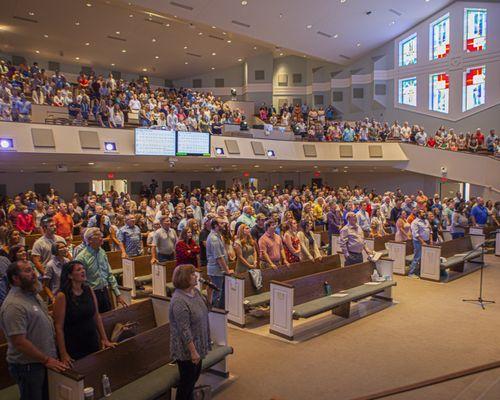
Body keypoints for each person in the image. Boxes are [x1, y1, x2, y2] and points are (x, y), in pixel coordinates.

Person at [0, 261, 67, 400]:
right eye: (28, 271)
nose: (34, 274)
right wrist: (46, 359)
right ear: (15, 278)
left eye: (32, 270)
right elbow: (19, 342)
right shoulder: (14, 305)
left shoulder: (32, 294)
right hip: (29, 366)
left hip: (42, 361)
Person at [53, 261, 114, 364]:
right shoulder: (62, 296)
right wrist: (63, 354)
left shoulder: (88, 290)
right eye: (78, 270)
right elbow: (58, 327)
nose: (83, 271)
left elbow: (96, 316)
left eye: (83, 269)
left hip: (91, 339)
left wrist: (104, 339)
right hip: (74, 343)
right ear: (70, 276)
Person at [169, 264, 211, 400]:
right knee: (187, 382)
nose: (196, 276)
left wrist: (209, 293)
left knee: (193, 379)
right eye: (192, 274)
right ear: (184, 278)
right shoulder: (179, 301)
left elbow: (206, 309)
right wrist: (193, 351)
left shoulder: (196, 292)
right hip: (186, 349)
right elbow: (184, 330)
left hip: (198, 342)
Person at [75, 228, 127, 312]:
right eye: (98, 236)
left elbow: (109, 274)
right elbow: (79, 281)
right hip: (91, 294)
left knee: (108, 317)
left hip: (104, 291)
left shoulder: (102, 252)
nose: (101, 238)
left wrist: (117, 294)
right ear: (90, 240)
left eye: (101, 236)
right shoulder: (81, 257)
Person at [206, 218, 233, 309]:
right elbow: (219, 258)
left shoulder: (218, 235)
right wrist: (227, 271)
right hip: (216, 270)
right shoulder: (214, 238)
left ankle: (220, 312)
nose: (224, 224)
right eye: (221, 223)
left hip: (219, 270)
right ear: (215, 225)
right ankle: (215, 312)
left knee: (220, 293)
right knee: (217, 294)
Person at [409, 210, 431, 278]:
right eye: (423, 212)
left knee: (424, 257)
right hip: (418, 242)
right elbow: (416, 234)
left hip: (426, 241)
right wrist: (423, 242)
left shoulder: (426, 220)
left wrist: (431, 240)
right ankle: (411, 273)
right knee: (417, 257)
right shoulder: (415, 222)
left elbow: (429, 229)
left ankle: (422, 271)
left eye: (424, 212)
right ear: (418, 214)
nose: (424, 213)